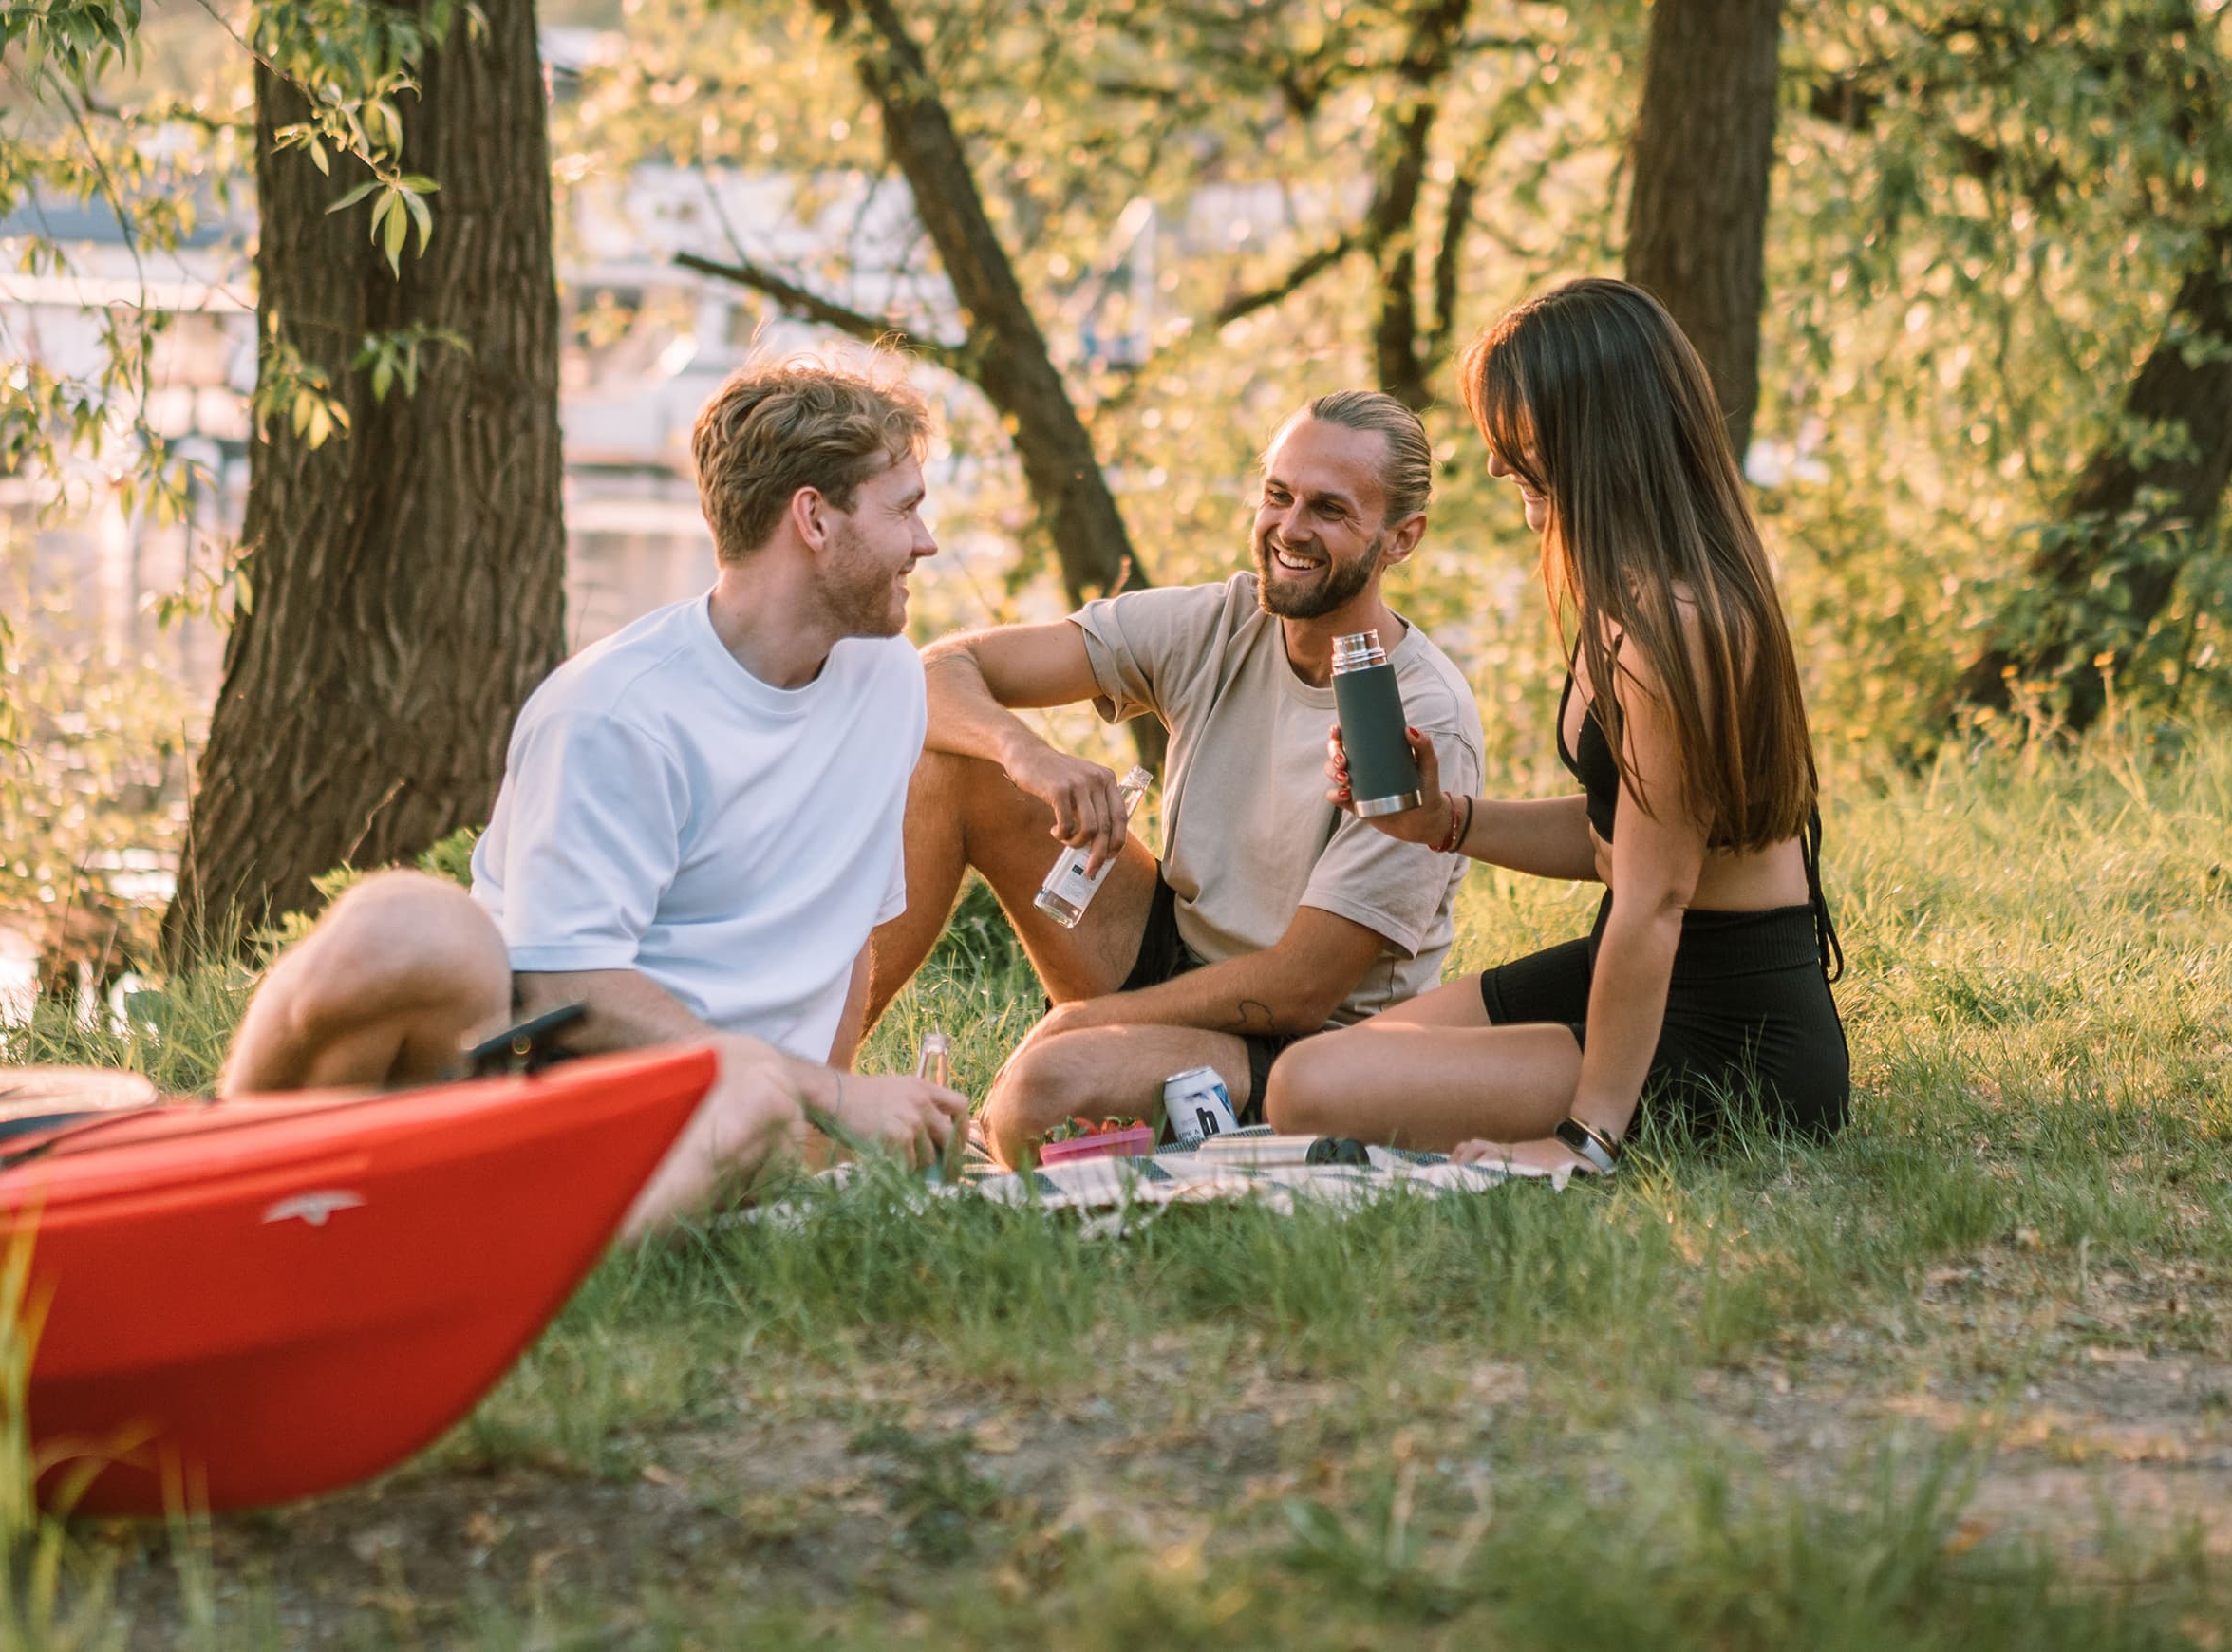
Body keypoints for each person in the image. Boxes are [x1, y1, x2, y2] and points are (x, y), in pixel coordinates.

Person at [220, 359, 970, 1235]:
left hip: (745, 1126)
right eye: (905, 508)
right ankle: (227, 1178)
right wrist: (831, 1092)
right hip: (563, 1099)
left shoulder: (887, 682)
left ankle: (520, 1279)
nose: (926, 541)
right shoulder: (617, 712)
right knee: (410, 926)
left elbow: (845, 935)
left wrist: (825, 1113)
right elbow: (559, 983)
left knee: (758, 1100)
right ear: (813, 518)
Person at [1267, 279, 1848, 1172]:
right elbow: (1619, 841)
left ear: (1596, 431)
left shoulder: (1674, 627)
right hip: (1656, 972)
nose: (1498, 466)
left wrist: (1586, 1137)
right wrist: (1443, 821)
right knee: (1318, 1070)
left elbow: (1654, 901)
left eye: (1517, 438)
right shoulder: (1629, 597)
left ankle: (1599, 1115)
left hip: (1736, 1035)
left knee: (1310, 1092)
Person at [861, 391, 1486, 1163]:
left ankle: (1101, 1096)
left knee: (1036, 1096)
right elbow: (941, 673)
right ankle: (811, 1089)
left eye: (1329, 509)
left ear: (1401, 538)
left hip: (1302, 1047)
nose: (1290, 529)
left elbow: (1303, 986)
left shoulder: (1423, 715)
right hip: (1170, 952)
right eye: (1278, 495)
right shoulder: (1218, 622)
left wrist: (1088, 1025)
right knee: (955, 761)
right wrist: (1028, 753)